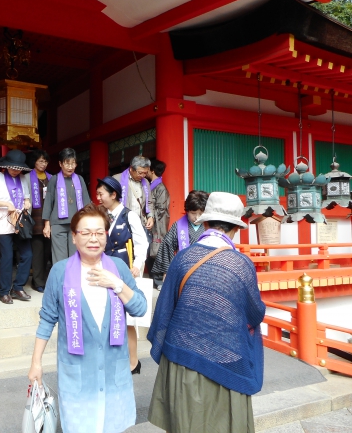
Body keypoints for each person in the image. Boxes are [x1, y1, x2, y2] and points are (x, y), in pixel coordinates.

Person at [147, 192, 265, 433]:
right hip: (227, 362)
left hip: (182, 361)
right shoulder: (241, 264)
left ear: (206, 222)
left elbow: (165, 309)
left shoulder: (183, 258)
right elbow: (255, 314)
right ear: (235, 228)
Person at [28, 203, 147, 433]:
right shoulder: (60, 272)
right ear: (74, 237)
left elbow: (140, 309)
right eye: (86, 232)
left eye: (99, 232)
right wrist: (36, 363)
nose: (94, 239)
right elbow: (47, 320)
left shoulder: (119, 268)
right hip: (78, 375)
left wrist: (117, 284)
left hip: (114, 376)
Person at [96, 176, 150, 375]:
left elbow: (141, 242)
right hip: (104, 271)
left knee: (127, 320)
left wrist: (137, 266)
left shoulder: (129, 215)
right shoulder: (101, 214)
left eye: (101, 194)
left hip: (124, 271)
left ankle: (134, 362)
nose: (98, 197)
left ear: (113, 194)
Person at [0, 149, 32, 304]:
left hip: (20, 221)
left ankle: (18, 287)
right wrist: (6, 203)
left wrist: (27, 203)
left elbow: (27, 198)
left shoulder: (24, 179)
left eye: (18, 168)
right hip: (3, 221)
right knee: (7, 257)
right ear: (6, 166)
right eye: (13, 167)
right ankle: (4, 291)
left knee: (27, 255)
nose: (15, 171)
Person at [42, 148, 91, 264]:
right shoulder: (54, 179)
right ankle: (61, 281)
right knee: (60, 258)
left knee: (76, 255)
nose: (70, 167)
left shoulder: (80, 179)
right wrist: (47, 225)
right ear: (60, 164)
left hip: (77, 223)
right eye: (67, 163)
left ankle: (73, 281)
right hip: (58, 224)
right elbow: (49, 201)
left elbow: (86, 202)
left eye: (73, 163)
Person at [151, 190, 209, 289]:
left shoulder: (210, 227)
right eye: (193, 213)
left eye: (201, 214)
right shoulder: (178, 226)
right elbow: (167, 246)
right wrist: (166, 271)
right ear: (187, 211)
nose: (197, 217)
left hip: (205, 274)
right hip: (182, 273)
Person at [26, 150, 52, 293]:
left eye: (45, 161)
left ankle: (43, 279)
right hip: (34, 218)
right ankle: (37, 282)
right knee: (37, 251)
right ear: (34, 162)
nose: (43, 164)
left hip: (48, 219)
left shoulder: (51, 178)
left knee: (47, 251)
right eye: (40, 161)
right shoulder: (26, 178)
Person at [112, 155, 153, 231]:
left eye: (145, 173)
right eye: (140, 173)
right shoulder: (117, 179)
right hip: (122, 223)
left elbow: (149, 202)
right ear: (131, 169)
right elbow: (110, 202)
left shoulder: (146, 182)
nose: (143, 176)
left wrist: (150, 216)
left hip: (140, 224)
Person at [146, 159, 170, 284]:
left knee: (156, 252)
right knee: (149, 252)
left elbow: (161, 208)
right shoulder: (151, 186)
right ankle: (153, 280)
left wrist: (150, 217)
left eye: (148, 170)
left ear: (152, 171)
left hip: (158, 225)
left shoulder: (160, 188)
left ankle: (158, 281)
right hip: (151, 224)